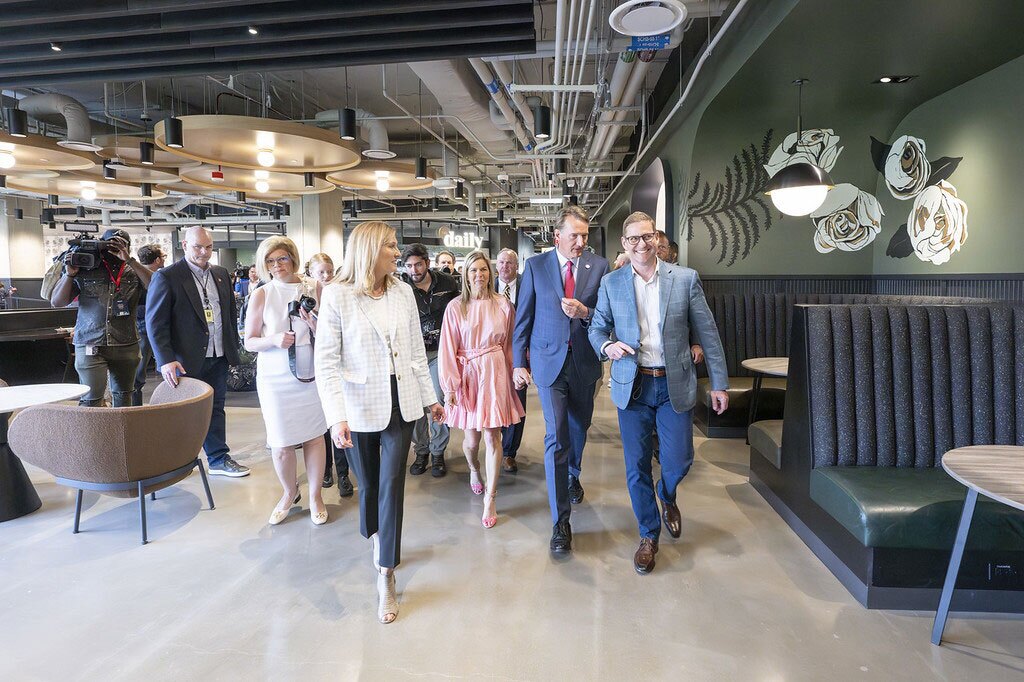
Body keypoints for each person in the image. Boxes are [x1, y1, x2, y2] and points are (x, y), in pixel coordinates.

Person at [315, 221, 444, 625]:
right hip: (357, 407)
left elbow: (415, 355)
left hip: (400, 403)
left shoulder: (403, 291)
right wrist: (336, 418)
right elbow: (327, 364)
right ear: (371, 249)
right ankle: (375, 535)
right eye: (390, 245)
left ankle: (386, 571)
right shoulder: (337, 295)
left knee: (391, 485)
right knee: (369, 485)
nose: (397, 251)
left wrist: (431, 400)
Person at [589, 211, 729, 574]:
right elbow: (597, 328)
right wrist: (607, 347)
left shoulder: (685, 279)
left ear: (657, 239)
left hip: (674, 383)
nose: (641, 244)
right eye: (633, 239)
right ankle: (648, 536)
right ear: (625, 244)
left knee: (680, 460)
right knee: (636, 467)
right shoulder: (612, 283)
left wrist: (718, 383)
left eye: (647, 237)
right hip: (632, 386)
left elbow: (708, 334)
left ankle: (667, 494)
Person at [512, 205, 609, 554]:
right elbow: (522, 318)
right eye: (575, 235)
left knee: (579, 428)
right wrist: (516, 362)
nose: (581, 241)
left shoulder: (599, 266)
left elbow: (606, 316)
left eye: (584, 235)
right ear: (558, 237)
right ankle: (560, 522)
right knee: (557, 437)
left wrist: (586, 313)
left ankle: (573, 474)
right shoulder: (536, 267)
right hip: (548, 362)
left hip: (584, 361)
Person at [146, 226, 250, 478]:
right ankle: (175, 461)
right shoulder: (167, 277)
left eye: (209, 247)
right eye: (198, 247)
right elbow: (155, 322)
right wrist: (165, 360)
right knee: (183, 412)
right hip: (184, 360)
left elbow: (226, 315)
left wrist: (232, 350)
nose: (204, 252)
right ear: (184, 245)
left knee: (216, 407)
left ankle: (218, 458)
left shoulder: (221, 274)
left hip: (218, 355)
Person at [245, 237, 328, 525]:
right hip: (275, 375)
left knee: (315, 438)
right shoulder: (262, 293)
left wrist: (315, 324)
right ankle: (289, 492)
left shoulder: (314, 287)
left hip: (311, 373)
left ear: (292, 258)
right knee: (281, 444)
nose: (277, 266)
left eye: (281, 259)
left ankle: (316, 495)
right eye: (270, 261)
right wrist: (273, 339)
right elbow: (249, 342)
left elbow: (331, 333)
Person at [439, 250, 524, 528]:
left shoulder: (503, 304)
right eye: (473, 270)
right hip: (468, 375)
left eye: (483, 270)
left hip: (495, 371)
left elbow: (511, 343)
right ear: (466, 275)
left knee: (492, 437)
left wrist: (516, 373)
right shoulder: (455, 307)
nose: (479, 275)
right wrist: (450, 385)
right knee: (472, 441)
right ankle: (474, 469)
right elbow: (448, 349)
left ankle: (491, 496)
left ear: (491, 273)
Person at [50, 229, 152, 407]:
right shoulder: (85, 266)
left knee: (124, 396)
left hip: (126, 343)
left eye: (120, 244)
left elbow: (156, 286)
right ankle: (93, 435)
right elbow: (57, 301)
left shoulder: (133, 270)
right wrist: (70, 274)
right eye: (109, 243)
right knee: (91, 399)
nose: (113, 248)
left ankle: (121, 435)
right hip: (90, 341)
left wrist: (129, 259)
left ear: (128, 247)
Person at [400, 244, 460, 478]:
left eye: (418, 264)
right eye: (409, 265)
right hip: (412, 355)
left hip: (440, 353)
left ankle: (437, 452)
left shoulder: (447, 283)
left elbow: (458, 314)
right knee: (414, 405)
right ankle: (421, 450)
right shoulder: (401, 287)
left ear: (427, 262)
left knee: (437, 401)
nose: (414, 270)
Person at [306, 252, 354, 498]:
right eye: (321, 272)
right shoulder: (306, 299)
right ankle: (326, 470)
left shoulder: (341, 293)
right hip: (312, 366)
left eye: (329, 271)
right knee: (321, 423)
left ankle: (343, 474)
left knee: (339, 419)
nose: (326, 276)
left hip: (339, 365)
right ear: (311, 273)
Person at [494, 248, 526, 474]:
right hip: (492, 355)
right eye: (502, 263)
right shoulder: (486, 287)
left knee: (517, 400)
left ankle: (509, 453)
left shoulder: (527, 287)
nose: (505, 267)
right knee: (494, 400)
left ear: (517, 266)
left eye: (510, 263)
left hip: (519, 354)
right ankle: (493, 445)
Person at [131, 244, 166, 405]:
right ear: (157, 259)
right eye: (163, 257)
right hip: (142, 328)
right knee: (138, 373)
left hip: (150, 327)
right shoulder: (140, 276)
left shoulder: (135, 274)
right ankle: (135, 409)